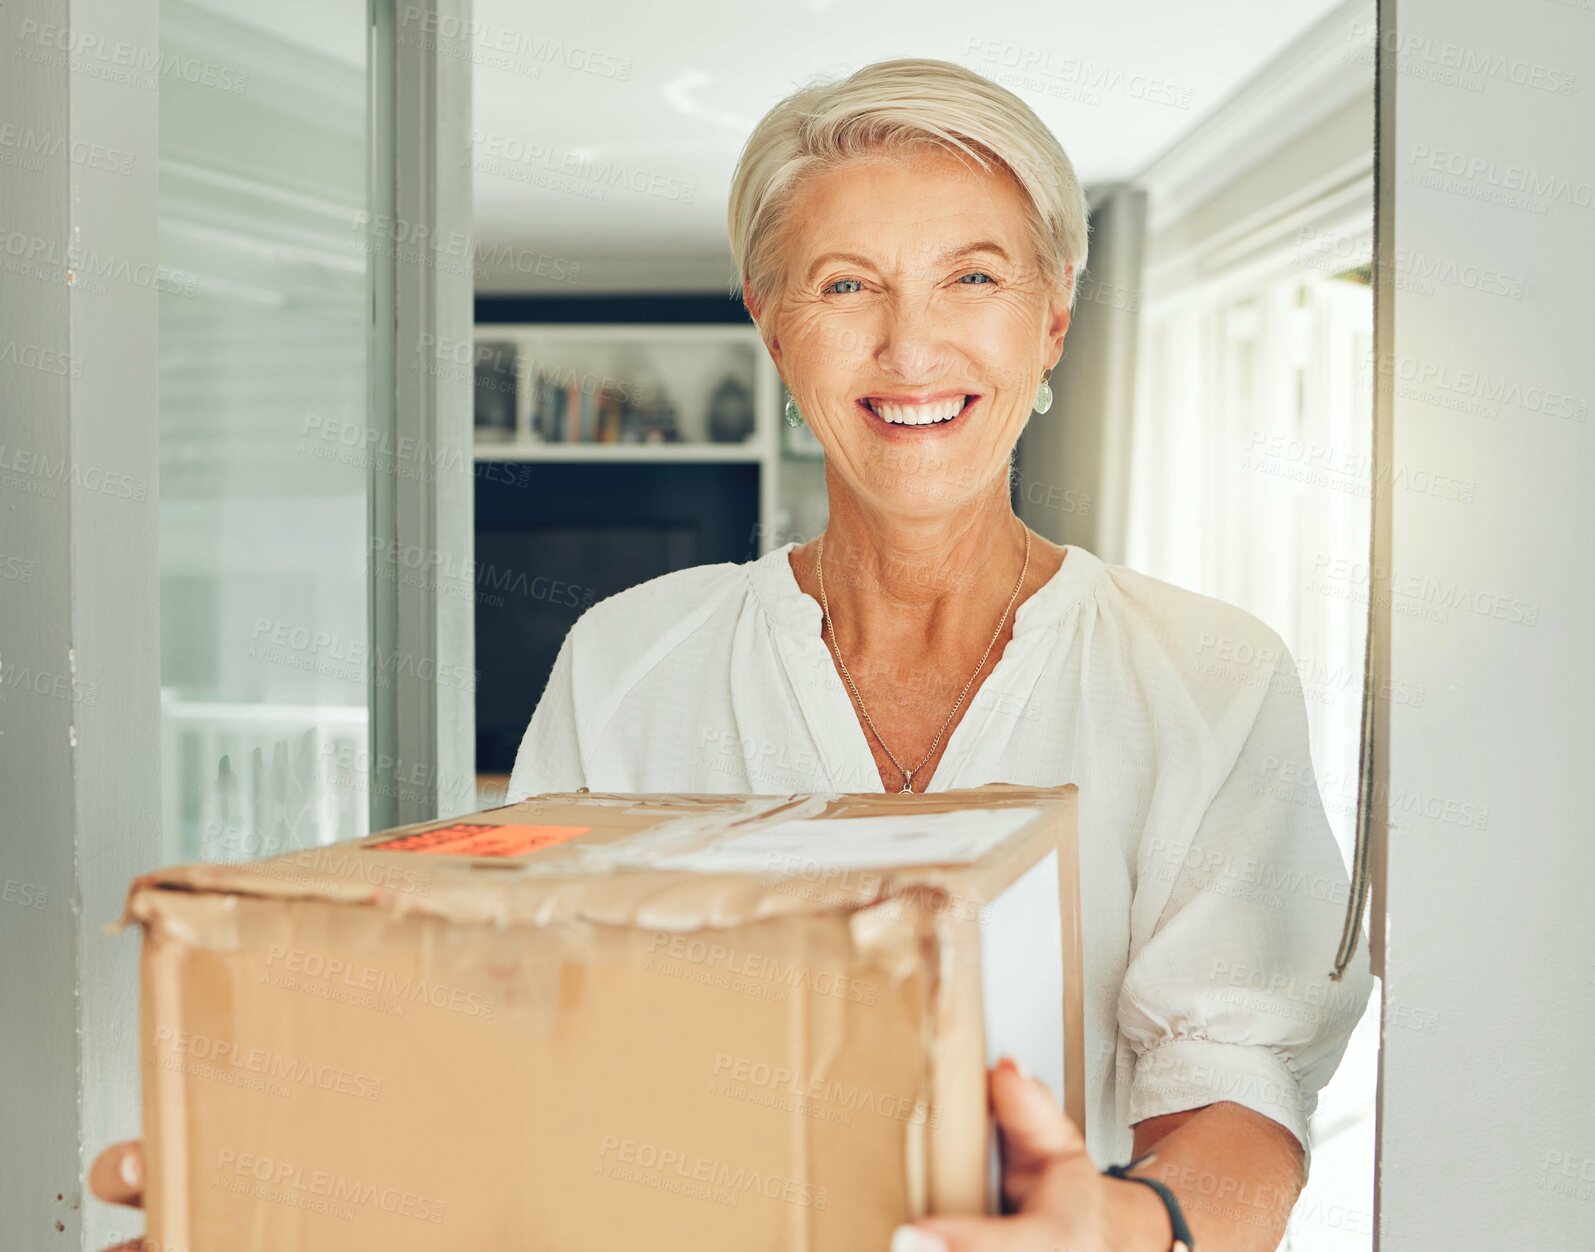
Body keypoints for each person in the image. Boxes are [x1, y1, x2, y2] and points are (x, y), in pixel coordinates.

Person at [92, 56, 1373, 1251]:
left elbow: (1241, 1087)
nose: (910, 346)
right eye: (844, 283)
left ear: (1051, 317)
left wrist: (1122, 1227)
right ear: (771, 327)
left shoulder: (1206, 674)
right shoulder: (628, 657)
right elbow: (518, 1023)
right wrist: (285, 1172)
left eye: (972, 277)